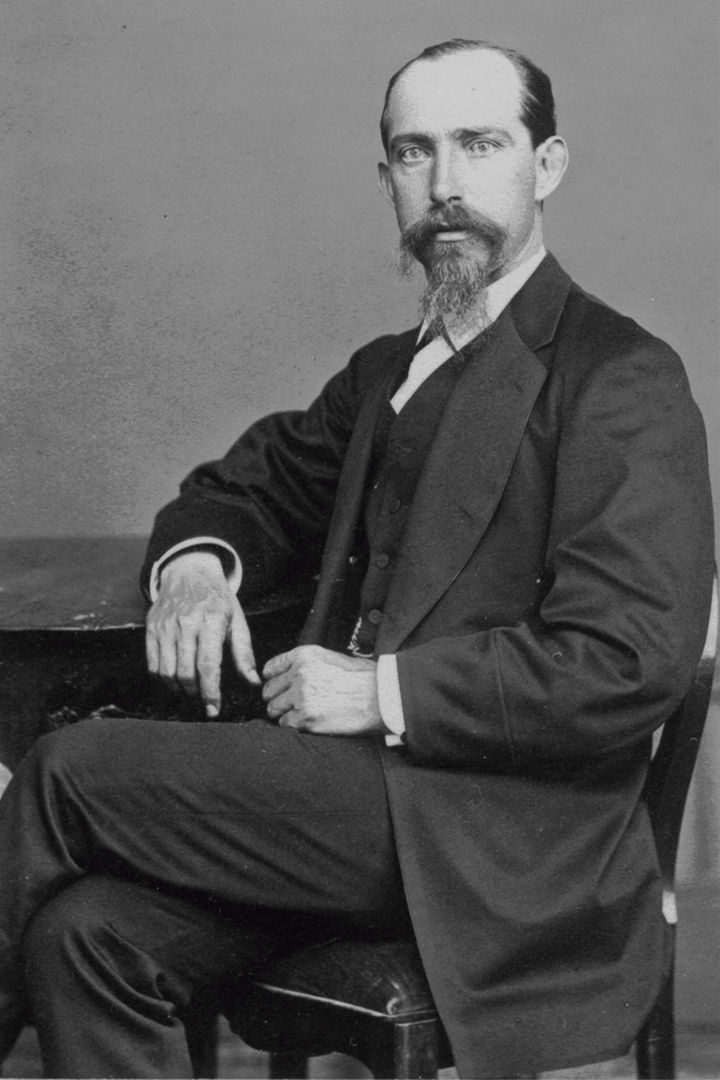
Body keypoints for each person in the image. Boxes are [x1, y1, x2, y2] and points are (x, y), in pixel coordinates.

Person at [0, 38, 714, 1080]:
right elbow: (241, 488)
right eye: (415, 153)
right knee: (87, 937)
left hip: (501, 842)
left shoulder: (621, 379)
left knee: (69, 771)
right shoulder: (387, 375)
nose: (447, 183)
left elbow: (626, 660)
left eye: (480, 144)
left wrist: (379, 689)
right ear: (388, 181)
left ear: (547, 165)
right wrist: (196, 567)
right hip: (344, 815)